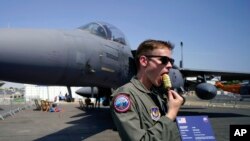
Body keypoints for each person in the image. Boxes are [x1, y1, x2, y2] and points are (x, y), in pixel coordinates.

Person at [110, 39, 184, 141]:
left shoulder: (156, 95)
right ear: (144, 61)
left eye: (171, 61)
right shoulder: (125, 97)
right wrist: (171, 114)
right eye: (164, 60)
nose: (170, 65)